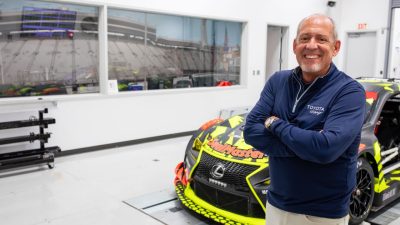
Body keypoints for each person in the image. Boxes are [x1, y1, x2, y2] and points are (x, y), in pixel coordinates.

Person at [243, 14, 365, 225]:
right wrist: (307, 144)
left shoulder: (349, 91)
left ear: (335, 47)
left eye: (321, 39)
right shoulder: (278, 81)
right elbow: (251, 132)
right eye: (305, 38)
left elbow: (325, 148)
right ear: (294, 45)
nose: (311, 45)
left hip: (321, 213)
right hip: (275, 204)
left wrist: (275, 124)